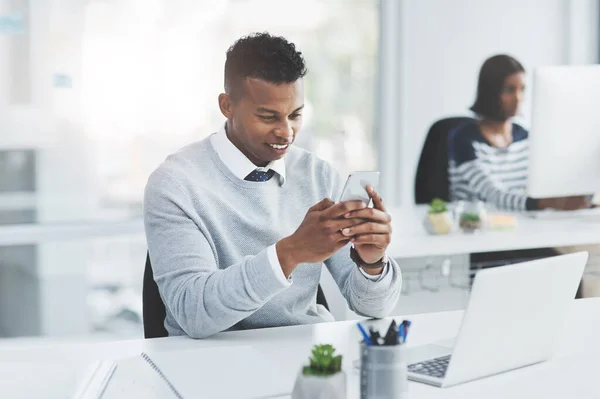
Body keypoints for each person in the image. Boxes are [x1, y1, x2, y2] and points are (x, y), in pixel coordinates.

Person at [143, 33, 402, 339]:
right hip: (210, 362)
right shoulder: (176, 184)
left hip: (304, 355)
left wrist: (372, 264)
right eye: (268, 117)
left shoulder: (317, 174)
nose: (286, 132)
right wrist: (289, 253)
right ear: (227, 106)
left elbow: (373, 307)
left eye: (296, 115)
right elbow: (193, 313)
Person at [448, 54, 590, 212]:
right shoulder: (463, 139)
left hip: (519, 223)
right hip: (475, 226)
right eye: (509, 90)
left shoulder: (525, 138)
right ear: (490, 92)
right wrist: (546, 203)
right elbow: (494, 195)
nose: (518, 98)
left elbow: (542, 184)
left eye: (522, 89)